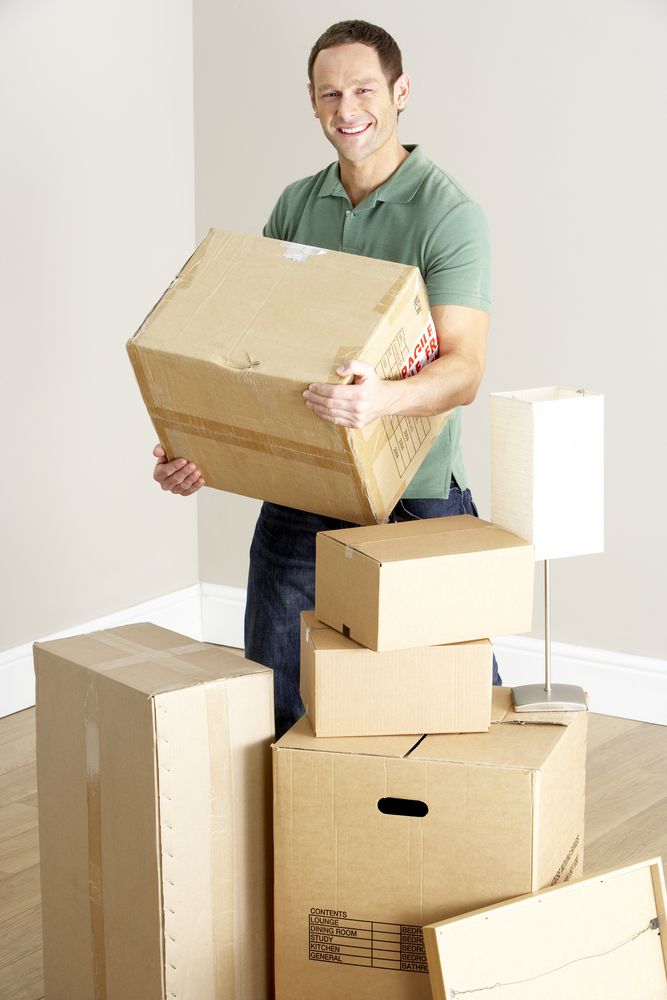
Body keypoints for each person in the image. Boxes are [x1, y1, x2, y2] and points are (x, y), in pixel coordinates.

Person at [153, 19, 499, 738]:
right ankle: (292, 834)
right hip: (307, 479)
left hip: (416, 490)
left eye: (364, 89)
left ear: (400, 92)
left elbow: (462, 370)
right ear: (311, 102)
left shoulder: (448, 215)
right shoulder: (297, 205)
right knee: (275, 691)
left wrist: (380, 401)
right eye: (329, 93)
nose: (347, 109)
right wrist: (195, 446)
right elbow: (254, 353)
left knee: (463, 701)